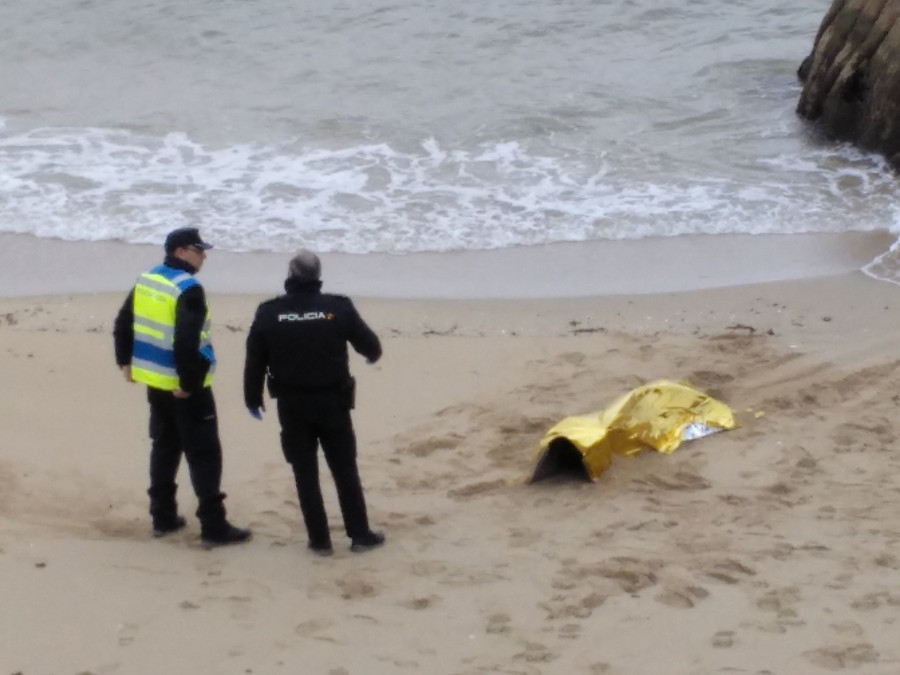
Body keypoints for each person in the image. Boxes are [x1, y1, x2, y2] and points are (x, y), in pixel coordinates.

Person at [113, 227, 251, 547]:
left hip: (156, 382)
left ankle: (162, 517)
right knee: (204, 454)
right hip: (185, 387)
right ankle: (214, 527)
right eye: (198, 249)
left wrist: (124, 361)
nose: (204, 255)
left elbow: (123, 322)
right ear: (180, 251)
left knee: (164, 447)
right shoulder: (188, 289)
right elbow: (186, 340)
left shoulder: (147, 279)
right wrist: (189, 383)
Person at [243, 249, 385, 556]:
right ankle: (359, 535)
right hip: (333, 402)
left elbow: (255, 360)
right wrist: (372, 356)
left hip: (292, 406)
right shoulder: (337, 307)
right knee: (344, 468)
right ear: (318, 276)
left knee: (304, 471)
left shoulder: (269, 312)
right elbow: (371, 346)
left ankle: (319, 541)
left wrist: (252, 398)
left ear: (290, 276)